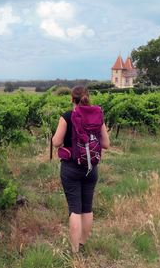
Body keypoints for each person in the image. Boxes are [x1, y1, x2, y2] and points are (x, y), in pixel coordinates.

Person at [52, 86, 110, 253]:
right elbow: (106, 144)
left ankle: (75, 250)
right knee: (87, 207)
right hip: (91, 168)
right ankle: (83, 243)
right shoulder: (98, 116)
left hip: (71, 167)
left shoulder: (67, 116)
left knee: (75, 209)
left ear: (72, 99)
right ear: (88, 98)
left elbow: (56, 142)